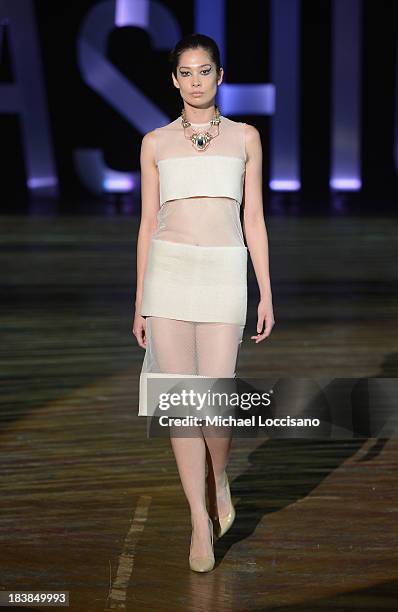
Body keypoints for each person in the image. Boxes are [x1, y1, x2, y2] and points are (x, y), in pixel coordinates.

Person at [133, 33, 275, 572]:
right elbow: (147, 224)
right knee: (182, 404)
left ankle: (218, 478)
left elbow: (254, 219)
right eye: (186, 72)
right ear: (175, 80)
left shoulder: (245, 138)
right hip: (168, 272)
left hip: (223, 273)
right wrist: (139, 300)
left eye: (204, 71)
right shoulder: (154, 143)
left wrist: (266, 289)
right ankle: (198, 518)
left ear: (220, 75)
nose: (195, 81)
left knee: (215, 405)